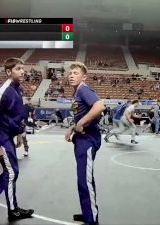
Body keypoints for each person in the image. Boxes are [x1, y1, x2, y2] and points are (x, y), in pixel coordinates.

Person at [0, 58, 34, 220]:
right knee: (11, 173)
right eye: (18, 68)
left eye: (23, 68)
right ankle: (13, 210)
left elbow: (17, 116)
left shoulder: (19, 89)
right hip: (1, 138)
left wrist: (19, 133)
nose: (23, 71)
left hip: (9, 136)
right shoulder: (1, 90)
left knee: (11, 172)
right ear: (8, 72)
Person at [65, 62, 105, 225]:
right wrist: (72, 127)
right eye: (70, 73)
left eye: (76, 73)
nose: (72, 75)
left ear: (84, 77)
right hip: (81, 138)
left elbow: (99, 106)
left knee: (85, 180)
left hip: (88, 139)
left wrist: (80, 123)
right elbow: (82, 113)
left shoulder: (83, 89)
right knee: (84, 178)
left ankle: (91, 219)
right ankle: (88, 211)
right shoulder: (77, 92)